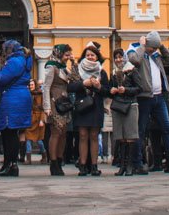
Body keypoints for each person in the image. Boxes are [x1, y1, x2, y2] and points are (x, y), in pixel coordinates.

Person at [128, 32, 169, 174]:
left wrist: (161, 45)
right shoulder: (136, 50)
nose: (154, 50)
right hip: (144, 97)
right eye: (152, 47)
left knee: (167, 129)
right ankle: (137, 163)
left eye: (155, 48)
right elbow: (134, 60)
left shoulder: (156, 55)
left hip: (159, 97)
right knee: (140, 131)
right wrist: (143, 46)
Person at [0, 38, 32, 177]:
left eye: (5, 49)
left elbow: (3, 78)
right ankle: (8, 164)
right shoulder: (22, 60)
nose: (4, 52)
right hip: (18, 96)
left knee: (10, 132)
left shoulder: (15, 61)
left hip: (13, 98)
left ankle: (12, 165)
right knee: (9, 132)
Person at [68, 41, 108, 176]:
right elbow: (70, 87)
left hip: (96, 106)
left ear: (97, 57)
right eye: (88, 55)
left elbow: (107, 91)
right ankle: (83, 165)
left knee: (94, 136)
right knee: (83, 136)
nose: (90, 57)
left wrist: (99, 87)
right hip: (82, 106)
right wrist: (82, 83)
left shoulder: (102, 72)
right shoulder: (78, 70)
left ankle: (94, 166)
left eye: (93, 55)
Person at [41, 43, 74, 176]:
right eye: (66, 55)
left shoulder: (64, 68)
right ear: (59, 54)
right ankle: (53, 162)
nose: (68, 57)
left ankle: (60, 161)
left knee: (64, 134)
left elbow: (76, 79)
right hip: (55, 103)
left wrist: (74, 63)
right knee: (56, 132)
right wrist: (47, 107)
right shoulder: (52, 66)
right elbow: (46, 87)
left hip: (64, 104)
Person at [109, 48, 141, 176]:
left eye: (120, 57)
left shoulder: (132, 70)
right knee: (121, 137)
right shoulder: (114, 72)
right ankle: (122, 165)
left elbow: (139, 88)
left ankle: (129, 166)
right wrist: (111, 90)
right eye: (116, 57)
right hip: (118, 106)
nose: (118, 60)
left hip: (130, 105)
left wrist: (125, 90)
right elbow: (110, 88)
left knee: (130, 136)